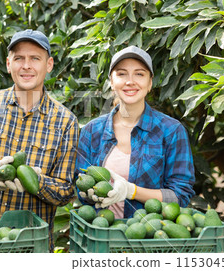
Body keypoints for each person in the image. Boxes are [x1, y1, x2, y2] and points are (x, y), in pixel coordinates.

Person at [0, 29, 78, 250]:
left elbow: (66, 190)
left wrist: (38, 182)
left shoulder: (65, 121)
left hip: (29, 245)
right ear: (9, 64)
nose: (26, 66)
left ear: (49, 65)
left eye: (35, 59)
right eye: (19, 58)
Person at [75, 46, 195, 219]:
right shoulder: (91, 131)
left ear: (150, 82)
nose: (130, 81)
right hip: (101, 236)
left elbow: (180, 196)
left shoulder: (172, 131)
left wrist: (131, 191)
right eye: (122, 74)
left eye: (139, 74)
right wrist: (87, 193)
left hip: (150, 237)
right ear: (111, 82)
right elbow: (81, 183)